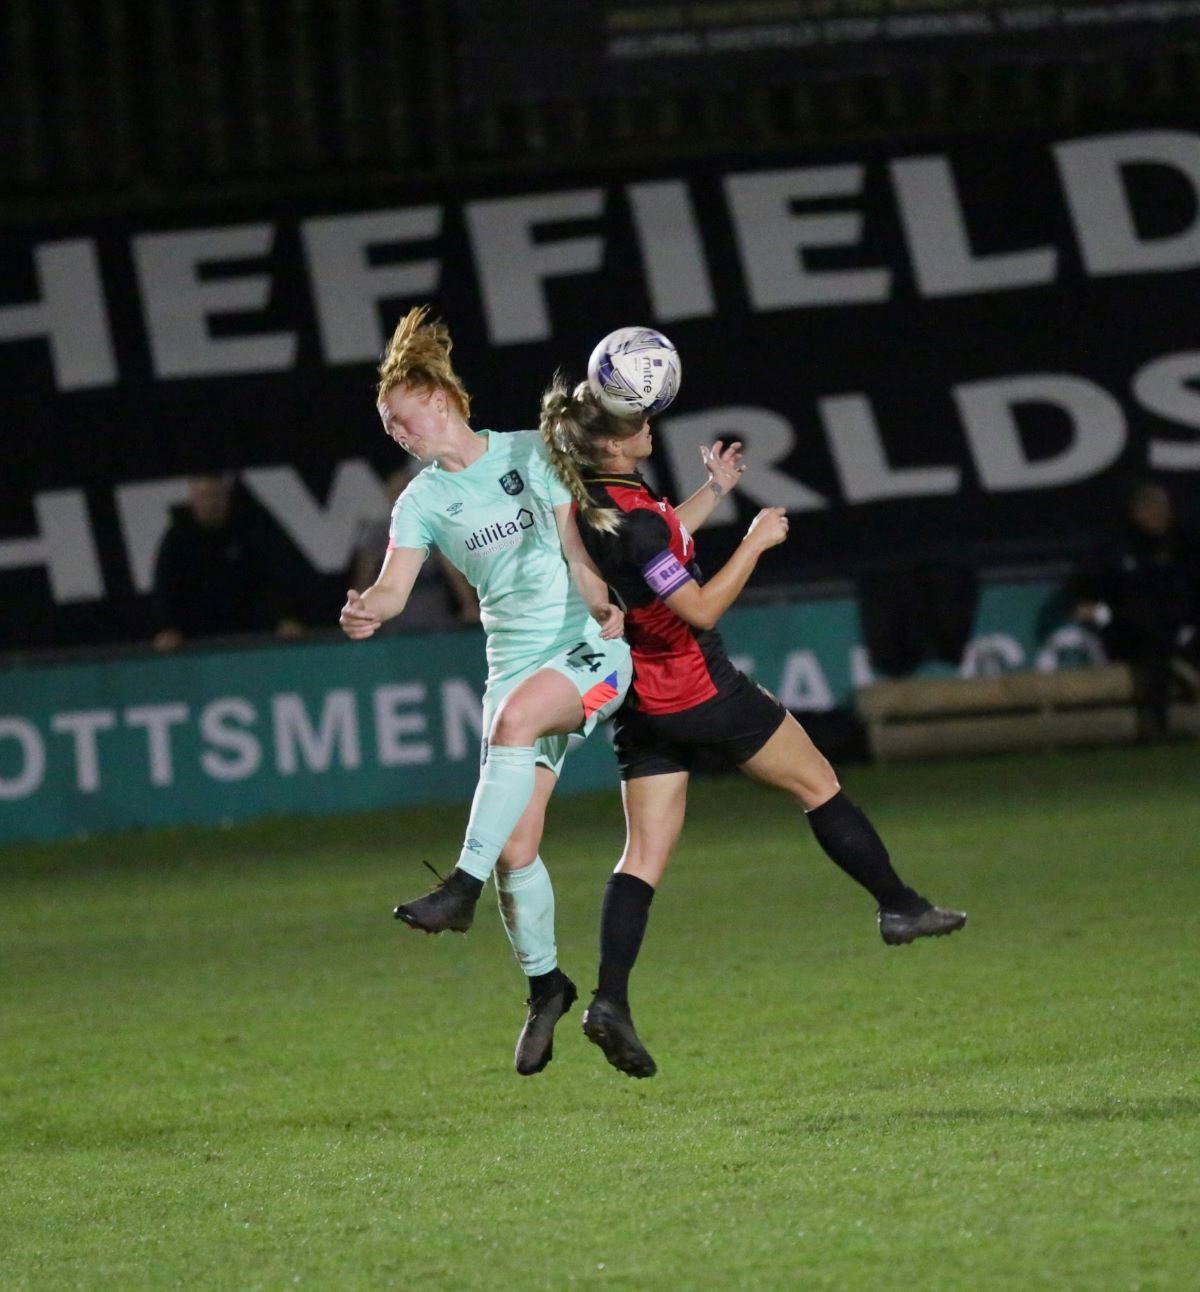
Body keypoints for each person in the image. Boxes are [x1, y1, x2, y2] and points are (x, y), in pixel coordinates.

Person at [540, 377, 967, 1079]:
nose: (650, 421)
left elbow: (658, 548)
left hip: (643, 696)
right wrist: (755, 540)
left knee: (641, 857)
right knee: (820, 785)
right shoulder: (636, 520)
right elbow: (699, 607)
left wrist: (714, 489)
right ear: (613, 441)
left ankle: (610, 1000)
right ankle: (899, 906)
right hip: (700, 686)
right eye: (636, 417)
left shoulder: (605, 505)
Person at [338, 307, 632, 1076]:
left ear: (439, 400)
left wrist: (601, 597)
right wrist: (370, 609)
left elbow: (573, 539)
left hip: (587, 648)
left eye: (402, 420)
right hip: (513, 663)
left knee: (511, 726)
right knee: (518, 849)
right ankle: (547, 987)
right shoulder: (421, 501)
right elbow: (396, 588)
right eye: (388, 429)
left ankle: (457, 889)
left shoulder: (530, 453)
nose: (398, 436)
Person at [1070, 478, 1199, 741]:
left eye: (1164, 507)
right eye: (1154, 508)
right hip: (1127, 630)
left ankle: (1183, 676)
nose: (1162, 514)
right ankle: (1157, 728)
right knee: (1147, 638)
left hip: (1180, 629)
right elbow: (1084, 597)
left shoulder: (1181, 543)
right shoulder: (1115, 549)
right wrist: (1087, 608)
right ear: (1138, 512)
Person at [151, 473, 307, 651]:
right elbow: (165, 589)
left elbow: (276, 576)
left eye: (216, 496)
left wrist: (285, 618)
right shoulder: (176, 539)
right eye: (203, 497)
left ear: (226, 496)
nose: (211, 504)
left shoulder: (252, 528)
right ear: (193, 499)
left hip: (255, 636)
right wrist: (167, 629)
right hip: (199, 640)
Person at [350, 462, 480, 631]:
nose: (400, 496)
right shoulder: (376, 533)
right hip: (394, 622)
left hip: (435, 616)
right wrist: (359, 612)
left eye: (405, 490)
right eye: (395, 491)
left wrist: (468, 604)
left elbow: (452, 571)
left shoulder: (433, 527)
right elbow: (363, 578)